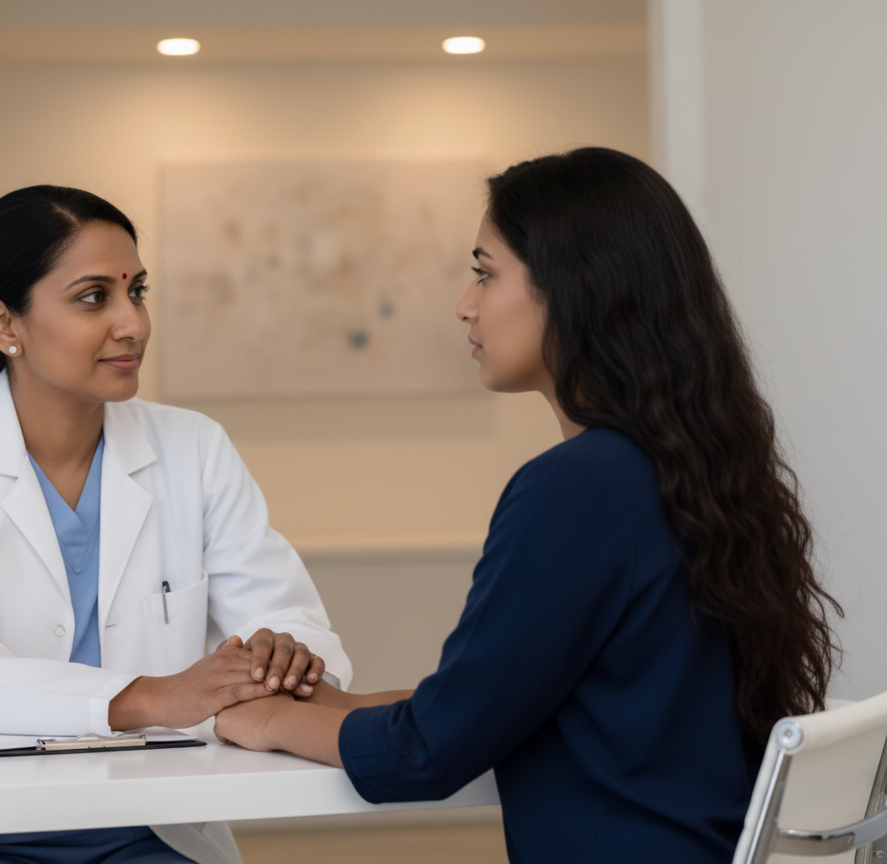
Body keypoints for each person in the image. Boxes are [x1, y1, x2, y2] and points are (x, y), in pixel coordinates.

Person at [213, 147, 843, 863]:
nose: (465, 304)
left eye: (485, 273)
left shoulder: (578, 486)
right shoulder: (684, 466)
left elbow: (427, 751)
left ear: (578, 287)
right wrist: (317, 704)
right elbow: (489, 705)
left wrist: (262, 722)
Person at [0, 186, 351, 864]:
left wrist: (287, 652)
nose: (132, 323)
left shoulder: (194, 447)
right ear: (4, 323)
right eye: (94, 297)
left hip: (149, 828)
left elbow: (285, 618)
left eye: (138, 292)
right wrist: (153, 696)